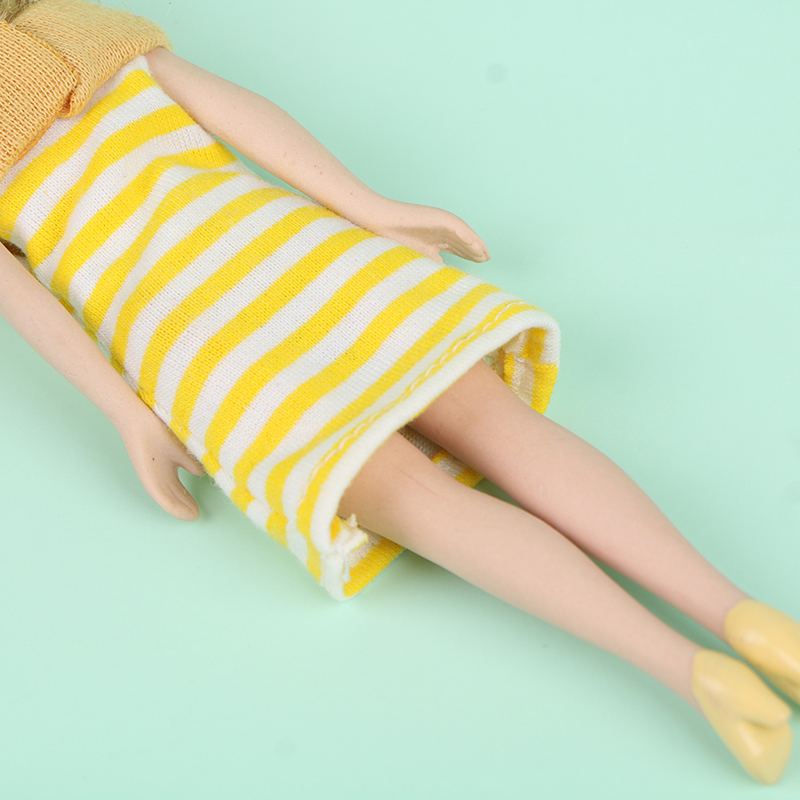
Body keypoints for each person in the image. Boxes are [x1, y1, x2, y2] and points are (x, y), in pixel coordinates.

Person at [1, 0, 798, 784]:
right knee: (501, 431)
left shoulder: (75, 27)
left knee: (425, 505)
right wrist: (369, 209)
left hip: (188, 345)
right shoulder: (77, 28)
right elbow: (240, 115)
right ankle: (741, 616)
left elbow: (24, 299)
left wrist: (128, 411)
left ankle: (690, 672)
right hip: (294, 257)